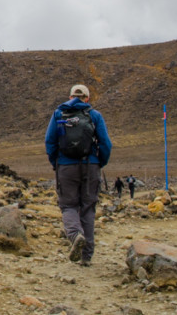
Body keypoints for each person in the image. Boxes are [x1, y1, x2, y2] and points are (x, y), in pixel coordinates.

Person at [45, 84, 112, 267]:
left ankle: (75, 235)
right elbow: (105, 143)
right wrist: (99, 163)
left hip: (65, 167)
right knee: (88, 208)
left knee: (68, 206)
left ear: (70, 96)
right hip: (90, 166)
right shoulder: (94, 115)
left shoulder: (59, 114)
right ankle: (86, 256)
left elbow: (50, 142)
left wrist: (56, 163)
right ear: (87, 98)